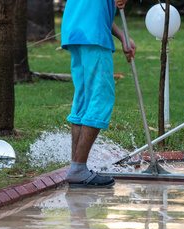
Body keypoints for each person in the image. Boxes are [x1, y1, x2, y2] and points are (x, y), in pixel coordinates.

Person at [61, 0, 136, 188]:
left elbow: (99, 10)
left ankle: (76, 168)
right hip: (93, 33)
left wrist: (122, 37)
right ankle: (78, 169)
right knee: (100, 98)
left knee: (84, 100)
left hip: (76, 31)